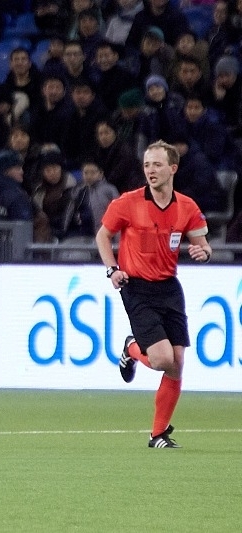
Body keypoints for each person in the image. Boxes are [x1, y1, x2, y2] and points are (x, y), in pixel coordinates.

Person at [95, 140, 212, 449]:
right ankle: (132, 347)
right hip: (137, 287)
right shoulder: (128, 202)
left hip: (169, 288)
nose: (150, 170)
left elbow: (203, 244)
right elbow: (103, 236)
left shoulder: (186, 206)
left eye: (157, 164)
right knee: (161, 359)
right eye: (147, 165)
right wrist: (112, 269)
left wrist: (203, 252)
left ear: (173, 168)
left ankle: (158, 434)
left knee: (177, 363)